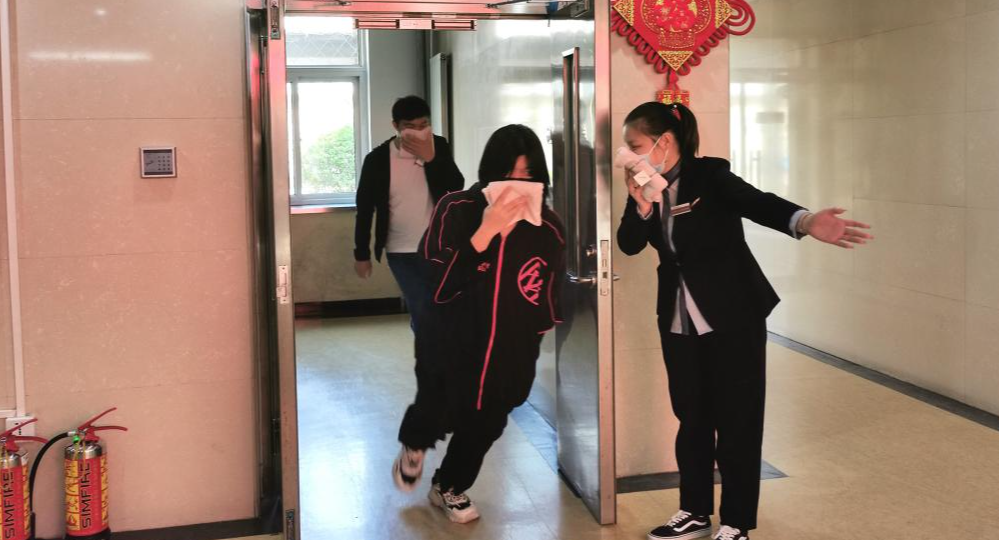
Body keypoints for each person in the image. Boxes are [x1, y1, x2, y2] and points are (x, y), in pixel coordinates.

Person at [616, 102, 872, 540]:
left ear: (664, 142)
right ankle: (694, 511)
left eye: (635, 146)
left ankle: (735, 521)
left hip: (733, 314)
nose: (628, 156)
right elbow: (629, 244)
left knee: (737, 420)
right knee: (692, 418)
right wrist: (641, 207)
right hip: (678, 318)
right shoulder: (643, 185)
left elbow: (758, 204)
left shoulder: (710, 177)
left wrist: (806, 220)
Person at [391, 125, 566, 524]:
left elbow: (547, 294)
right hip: (448, 339)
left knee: (486, 422)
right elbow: (434, 282)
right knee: (437, 406)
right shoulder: (456, 208)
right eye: (508, 175)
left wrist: (532, 340)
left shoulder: (548, 227)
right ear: (490, 173)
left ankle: (449, 485)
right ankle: (415, 444)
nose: (518, 185)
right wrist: (484, 234)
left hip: (510, 347)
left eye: (528, 176)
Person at [353, 95, 464, 331]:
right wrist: (361, 254)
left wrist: (432, 159)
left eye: (424, 125)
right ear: (396, 126)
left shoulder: (439, 146)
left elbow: (456, 187)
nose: (418, 132)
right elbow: (364, 209)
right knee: (421, 307)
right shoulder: (376, 160)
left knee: (440, 306)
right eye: (410, 127)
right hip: (400, 250)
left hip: (439, 246)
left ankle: (433, 350)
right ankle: (430, 351)